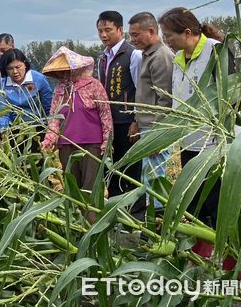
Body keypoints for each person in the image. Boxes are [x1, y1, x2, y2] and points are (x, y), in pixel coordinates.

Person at [158, 7, 232, 262]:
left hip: (214, 143)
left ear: (187, 32)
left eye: (168, 35)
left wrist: (221, 130)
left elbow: (231, 96)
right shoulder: (180, 58)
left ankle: (228, 254)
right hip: (189, 142)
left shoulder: (216, 51)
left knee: (216, 199)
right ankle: (201, 253)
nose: (166, 40)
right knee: (194, 198)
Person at [41, 47, 112, 196]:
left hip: (92, 144)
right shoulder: (60, 89)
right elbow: (54, 117)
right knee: (72, 188)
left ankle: (93, 218)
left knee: (90, 188)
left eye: (67, 70)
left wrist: (107, 140)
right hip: (66, 144)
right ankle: (77, 218)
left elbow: (105, 114)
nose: (63, 74)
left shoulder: (93, 85)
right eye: (60, 71)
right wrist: (49, 139)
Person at [96, 11, 145, 219]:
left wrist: (136, 119)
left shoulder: (133, 54)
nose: (103, 35)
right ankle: (116, 211)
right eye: (100, 31)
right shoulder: (102, 58)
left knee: (132, 168)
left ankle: (136, 214)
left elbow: (140, 88)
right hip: (110, 123)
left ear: (119, 30)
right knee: (114, 168)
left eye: (108, 30)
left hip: (128, 122)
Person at [127, 12, 174, 210]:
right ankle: (152, 223)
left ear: (151, 31)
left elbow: (166, 100)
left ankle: (157, 223)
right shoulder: (148, 55)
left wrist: (159, 136)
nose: (132, 40)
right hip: (146, 126)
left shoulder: (161, 57)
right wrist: (136, 120)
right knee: (148, 178)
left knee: (155, 179)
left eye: (136, 35)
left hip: (156, 129)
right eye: (131, 35)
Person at [0, 48, 53, 153]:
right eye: (10, 68)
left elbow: (48, 107)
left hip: (38, 128)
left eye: (18, 67)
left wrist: (50, 132)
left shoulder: (39, 80)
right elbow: (2, 113)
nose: (15, 72)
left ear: (25, 64)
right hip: (14, 130)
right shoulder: (1, 85)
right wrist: (4, 133)